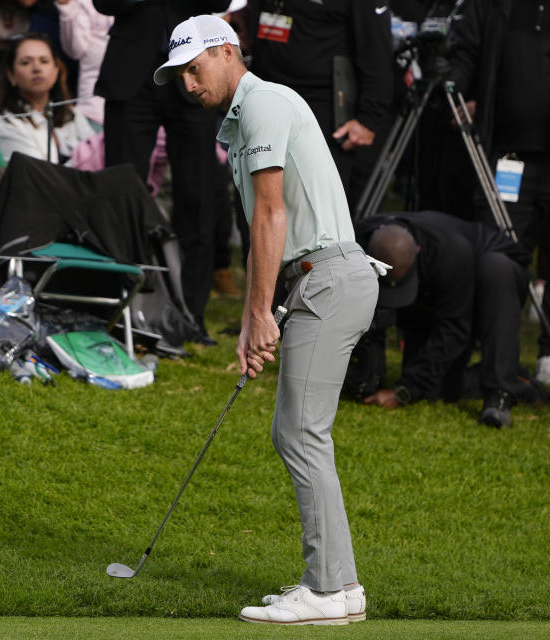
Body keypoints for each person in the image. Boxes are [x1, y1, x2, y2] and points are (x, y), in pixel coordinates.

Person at [154, 14, 377, 624]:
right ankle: (337, 584)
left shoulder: (264, 102)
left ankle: (332, 591)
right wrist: (270, 311)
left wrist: (255, 314)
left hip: (329, 277)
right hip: (317, 280)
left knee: (301, 433)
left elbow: (272, 217)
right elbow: (273, 228)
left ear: (228, 51)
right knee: (297, 432)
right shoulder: (244, 117)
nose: (188, 84)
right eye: (179, 75)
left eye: (194, 68)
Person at [94, 0, 229, 345]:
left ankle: (190, 315)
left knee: (198, 198)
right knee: (121, 194)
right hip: (131, 73)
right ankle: (117, 306)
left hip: (193, 71)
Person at [448, 0, 550, 386]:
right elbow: (466, 50)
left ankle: (547, 353)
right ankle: (496, 366)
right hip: (505, 155)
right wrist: (457, 88)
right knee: (500, 258)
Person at [356, 211, 531, 428]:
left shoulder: (451, 253)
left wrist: (404, 391)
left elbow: (454, 329)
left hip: (498, 274)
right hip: (438, 287)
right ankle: (505, 377)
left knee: (494, 267)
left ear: (417, 252)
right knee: (434, 387)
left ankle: (501, 389)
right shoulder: (358, 236)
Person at [244, 0, 394, 212]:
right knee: (258, 205)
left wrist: (369, 118)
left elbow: (376, 50)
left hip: (322, 115)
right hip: (265, 103)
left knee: (315, 211)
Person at [0, 32, 94, 164]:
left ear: (56, 70)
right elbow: (38, 176)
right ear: (11, 74)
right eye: (26, 63)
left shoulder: (71, 114)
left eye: (44, 61)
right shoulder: (7, 124)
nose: (37, 68)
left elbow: (98, 151)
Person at [55, 0, 112, 127]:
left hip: (138, 106)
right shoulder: (85, 3)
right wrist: (66, 8)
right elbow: (75, 50)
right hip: (93, 109)